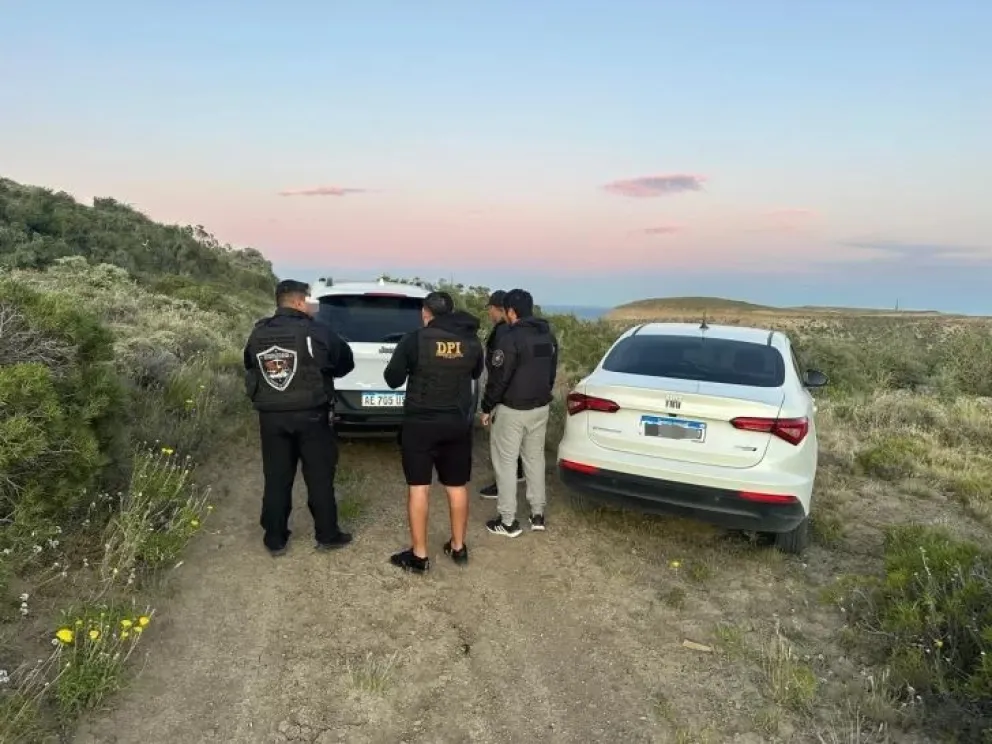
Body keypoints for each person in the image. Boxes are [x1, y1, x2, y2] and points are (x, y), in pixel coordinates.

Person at [243, 279, 355, 556]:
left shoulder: (258, 333)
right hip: (312, 415)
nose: (309, 304)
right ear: (297, 302)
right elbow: (345, 363)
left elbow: (250, 363)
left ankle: (275, 538)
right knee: (319, 476)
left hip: (271, 417)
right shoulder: (318, 331)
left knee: (277, 477)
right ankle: (327, 535)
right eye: (306, 299)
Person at [384, 291, 484, 573]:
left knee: (419, 487)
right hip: (457, 424)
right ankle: (458, 547)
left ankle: (419, 556)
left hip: (420, 425)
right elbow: (476, 373)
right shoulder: (471, 341)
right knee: (457, 487)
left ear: (425, 312)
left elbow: (392, 380)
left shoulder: (414, 339)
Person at [479, 288, 558, 537]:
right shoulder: (548, 337)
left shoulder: (510, 339)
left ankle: (508, 521)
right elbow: (550, 373)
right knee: (534, 460)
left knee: (506, 463)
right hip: (540, 408)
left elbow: (499, 378)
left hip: (513, 410)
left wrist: (487, 407)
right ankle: (537, 514)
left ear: (511, 311)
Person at [478, 290, 525, 499]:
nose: (489, 313)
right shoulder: (515, 329)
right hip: (516, 394)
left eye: (490, 309)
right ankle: (518, 472)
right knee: (514, 441)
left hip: (502, 396)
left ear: (499, 309)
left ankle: (502, 485)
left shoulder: (503, 332)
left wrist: (488, 404)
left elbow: (499, 370)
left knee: (501, 445)